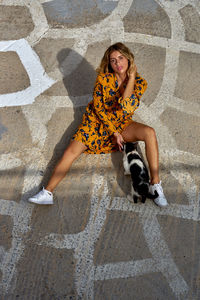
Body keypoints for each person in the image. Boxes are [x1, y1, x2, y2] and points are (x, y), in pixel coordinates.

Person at [28, 42, 168, 207]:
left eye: (121, 58)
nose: (118, 63)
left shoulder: (140, 83)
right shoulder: (103, 79)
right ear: (109, 64)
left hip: (122, 123)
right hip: (95, 123)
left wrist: (131, 78)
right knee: (70, 152)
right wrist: (114, 132)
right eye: (113, 60)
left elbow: (126, 106)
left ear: (129, 59)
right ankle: (47, 193)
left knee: (149, 132)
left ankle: (155, 185)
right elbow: (98, 108)